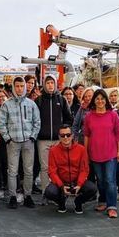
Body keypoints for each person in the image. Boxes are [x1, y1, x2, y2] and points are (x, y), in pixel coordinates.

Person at [0, 76, 41, 209]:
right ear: (13, 87)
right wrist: (8, 139)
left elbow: (37, 121)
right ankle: (12, 197)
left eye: (22, 86)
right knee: (12, 171)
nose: (19, 88)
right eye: (17, 86)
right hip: (13, 142)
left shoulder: (31, 104)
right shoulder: (6, 104)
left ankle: (27, 196)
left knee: (28, 170)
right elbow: (2, 124)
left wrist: (33, 137)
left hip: (28, 141)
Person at [83, 89, 119, 218]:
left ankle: (112, 206)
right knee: (100, 180)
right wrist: (86, 153)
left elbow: (118, 134)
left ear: (106, 100)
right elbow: (87, 136)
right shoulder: (89, 116)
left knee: (110, 180)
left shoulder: (113, 115)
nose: (100, 101)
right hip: (95, 154)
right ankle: (103, 201)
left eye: (102, 98)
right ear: (94, 100)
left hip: (110, 153)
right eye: (97, 99)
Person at [35, 74, 73, 202]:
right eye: (48, 83)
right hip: (43, 140)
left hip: (58, 140)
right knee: (45, 168)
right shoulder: (39, 100)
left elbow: (69, 118)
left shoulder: (61, 99)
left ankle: (61, 192)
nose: (50, 85)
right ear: (44, 85)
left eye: (52, 83)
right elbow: (35, 120)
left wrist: (63, 131)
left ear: (55, 84)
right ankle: (46, 193)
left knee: (59, 167)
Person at [44, 124, 97, 214]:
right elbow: (52, 171)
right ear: (59, 137)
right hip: (61, 182)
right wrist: (61, 186)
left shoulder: (81, 149)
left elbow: (84, 169)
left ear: (72, 136)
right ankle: (61, 202)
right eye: (62, 135)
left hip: (77, 181)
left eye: (68, 135)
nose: (65, 137)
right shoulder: (53, 151)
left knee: (92, 189)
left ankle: (78, 202)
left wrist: (79, 184)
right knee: (49, 192)